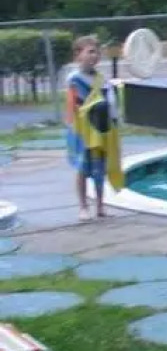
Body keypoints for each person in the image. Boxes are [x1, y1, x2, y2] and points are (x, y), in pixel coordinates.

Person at [64, 35, 123, 220]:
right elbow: (74, 106)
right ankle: (83, 206)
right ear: (78, 55)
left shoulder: (101, 79)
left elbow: (110, 103)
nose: (94, 55)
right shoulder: (74, 79)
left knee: (100, 167)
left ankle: (100, 206)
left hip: (101, 129)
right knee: (83, 167)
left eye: (96, 52)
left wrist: (115, 120)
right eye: (90, 52)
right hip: (83, 131)